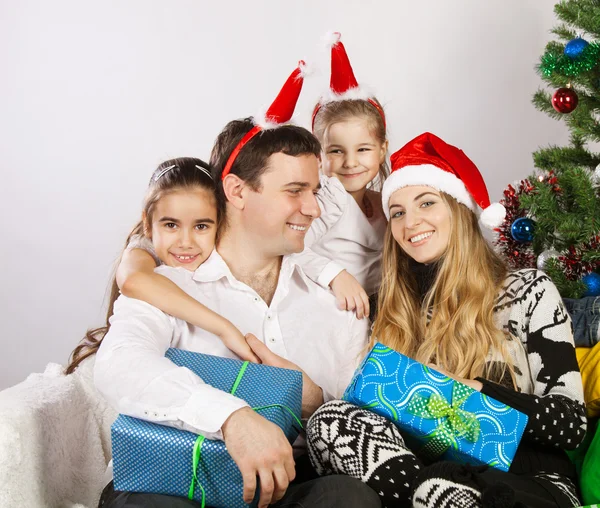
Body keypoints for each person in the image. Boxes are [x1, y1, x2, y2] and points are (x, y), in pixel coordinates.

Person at [92, 62, 379, 508]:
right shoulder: (166, 282)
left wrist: (312, 399)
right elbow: (119, 364)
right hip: (170, 479)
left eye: (316, 192)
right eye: (295, 191)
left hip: (284, 486)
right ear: (238, 191)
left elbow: (362, 422)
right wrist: (231, 418)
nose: (314, 209)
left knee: (349, 499)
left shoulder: (339, 300)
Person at [306, 132, 587, 508]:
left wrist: (476, 389)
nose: (411, 222)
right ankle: (442, 495)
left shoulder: (528, 290)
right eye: (398, 212)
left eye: (426, 203)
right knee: (329, 418)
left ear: (459, 207)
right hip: (428, 480)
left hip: (529, 480)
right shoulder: (388, 310)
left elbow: (571, 424)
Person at [65, 156, 258, 375]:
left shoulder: (226, 252)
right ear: (148, 224)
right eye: (171, 225)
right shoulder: (145, 249)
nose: (186, 242)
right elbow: (133, 280)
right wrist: (224, 329)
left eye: (201, 226)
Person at [296, 32, 389, 321]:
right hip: (336, 310)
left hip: (380, 306)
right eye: (336, 150)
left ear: (382, 150)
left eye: (363, 149)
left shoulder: (383, 200)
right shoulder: (325, 201)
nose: (350, 163)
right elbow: (289, 249)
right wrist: (335, 275)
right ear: (318, 154)